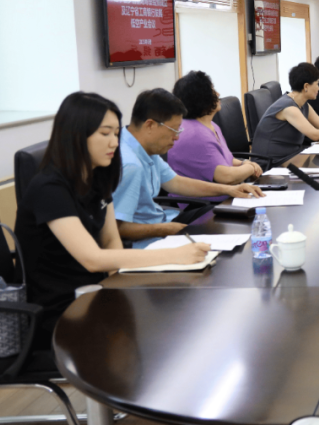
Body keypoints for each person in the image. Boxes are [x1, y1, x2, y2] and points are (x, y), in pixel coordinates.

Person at [15, 92, 212, 349]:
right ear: (76, 135)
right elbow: (92, 258)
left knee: (176, 322)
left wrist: (120, 291)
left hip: (97, 291)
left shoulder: (98, 177)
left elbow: (110, 240)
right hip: (62, 308)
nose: (114, 142)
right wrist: (174, 255)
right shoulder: (49, 188)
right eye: (105, 133)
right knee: (160, 337)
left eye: (116, 134)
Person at [113, 89, 264, 246]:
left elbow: (176, 182)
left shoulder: (144, 147)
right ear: (150, 125)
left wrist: (230, 190)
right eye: (174, 130)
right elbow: (117, 229)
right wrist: (165, 229)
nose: (177, 137)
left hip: (163, 220)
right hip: (148, 240)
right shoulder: (130, 164)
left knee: (222, 215)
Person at [168, 71, 263, 189]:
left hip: (223, 193)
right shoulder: (196, 134)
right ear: (201, 99)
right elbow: (227, 177)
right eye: (212, 91)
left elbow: (224, 159)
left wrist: (244, 163)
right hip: (203, 200)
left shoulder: (210, 125)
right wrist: (250, 168)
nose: (218, 94)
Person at [253, 63, 319, 161]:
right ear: (306, 86)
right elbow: (314, 134)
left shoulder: (303, 103)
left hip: (292, 155)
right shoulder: (289, 108)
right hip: (273, 161)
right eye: (317, 84)